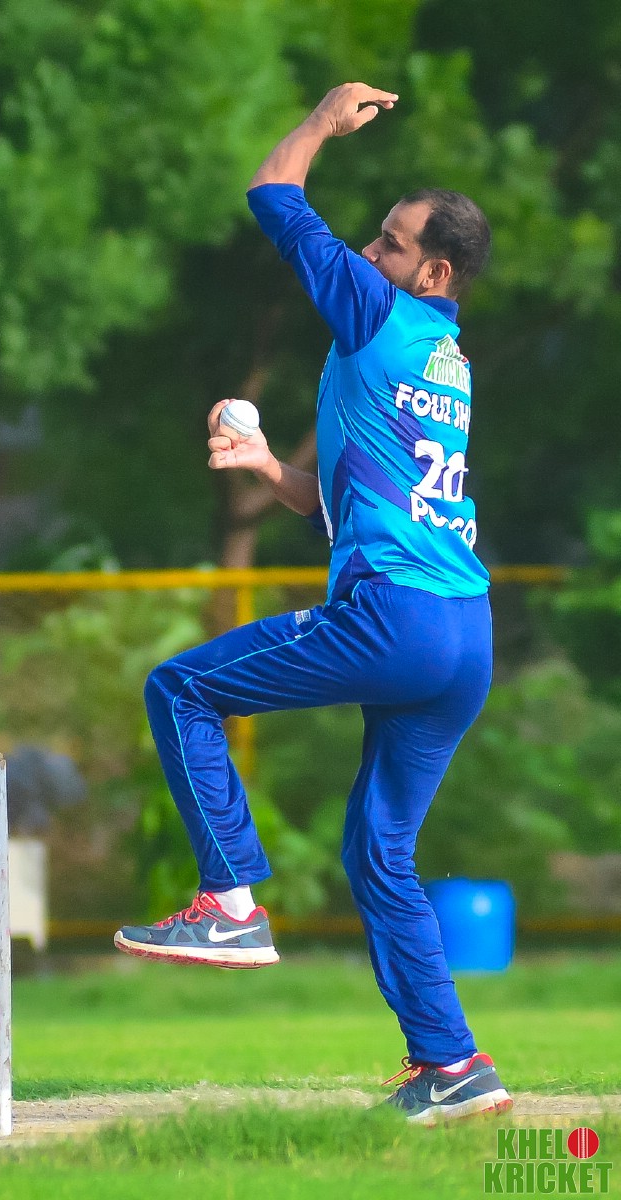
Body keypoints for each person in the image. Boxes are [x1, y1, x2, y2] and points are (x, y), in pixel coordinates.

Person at [115, 83, 512, 1124]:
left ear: (433, 272)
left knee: (178, 689)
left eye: (389, 243)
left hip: (397, 619)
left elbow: (273, 195)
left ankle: (229, 903)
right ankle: (451, 1066)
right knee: (379, 854)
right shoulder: (447, 361)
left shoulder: (377, 310)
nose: (369, 253)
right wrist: (266, 468)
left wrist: (320, 124)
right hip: (463, 634)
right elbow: (344, 505)